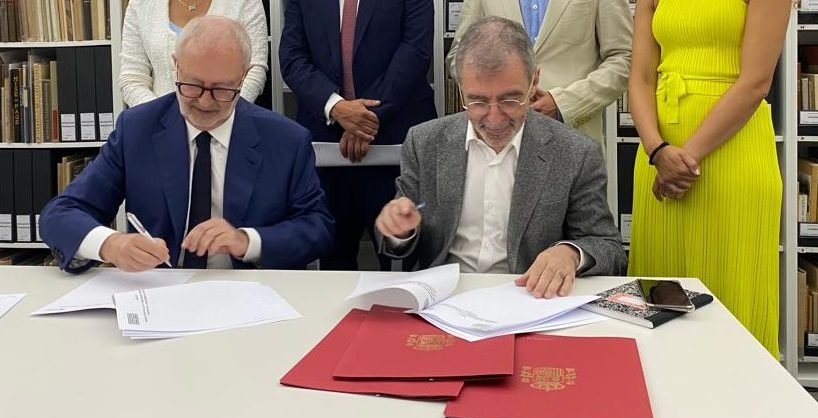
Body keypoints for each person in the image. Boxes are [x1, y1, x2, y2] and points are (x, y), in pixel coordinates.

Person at [40, 16, 333, 273]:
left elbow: (317, 228)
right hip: (159, 291)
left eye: (221, 89)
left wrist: (246, 241)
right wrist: (110, 245)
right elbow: (61, 213)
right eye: (192, 85)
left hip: (251, 292)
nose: (204, 102)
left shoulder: (286, 140)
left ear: (243, 77)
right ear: (176, 67)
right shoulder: (137, 129)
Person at [375, 16, 626, 298]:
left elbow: (609, 249)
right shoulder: (425, 143)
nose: (494, 119)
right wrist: (399, 231)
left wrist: (570, 253)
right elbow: (400, 246)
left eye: (510, 99)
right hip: (445, 300)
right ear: (460, 88)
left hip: (531, 299)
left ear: (534, 82)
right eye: (478, 101)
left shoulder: (575, 152)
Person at [627, 0, 789, 356]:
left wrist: (684, 159)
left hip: (732, 153)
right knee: (660, 295)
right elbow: (640, 77)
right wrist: (656, 150)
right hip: (658, 153)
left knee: (732, 294)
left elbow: (755, 82)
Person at [278, 0, 437, 271]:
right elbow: (293, 57)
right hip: (326, 146)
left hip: (397, 146)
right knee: (331, 268)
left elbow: (415, 50)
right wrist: (336, 107)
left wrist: (364, 119)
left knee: (404, 264)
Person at [446, 0, 632, 146]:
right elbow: (458, 56)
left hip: (571, 140)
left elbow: (624, 58)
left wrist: (563, 104)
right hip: (495, 140)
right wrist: (494, 94)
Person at [119, 0, 269, 107]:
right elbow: (132, 79)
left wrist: (222, 113)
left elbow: (254, 71)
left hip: (229, 125)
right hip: (156, 127)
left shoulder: (246, 3)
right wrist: (164, 117)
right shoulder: (140, 4)